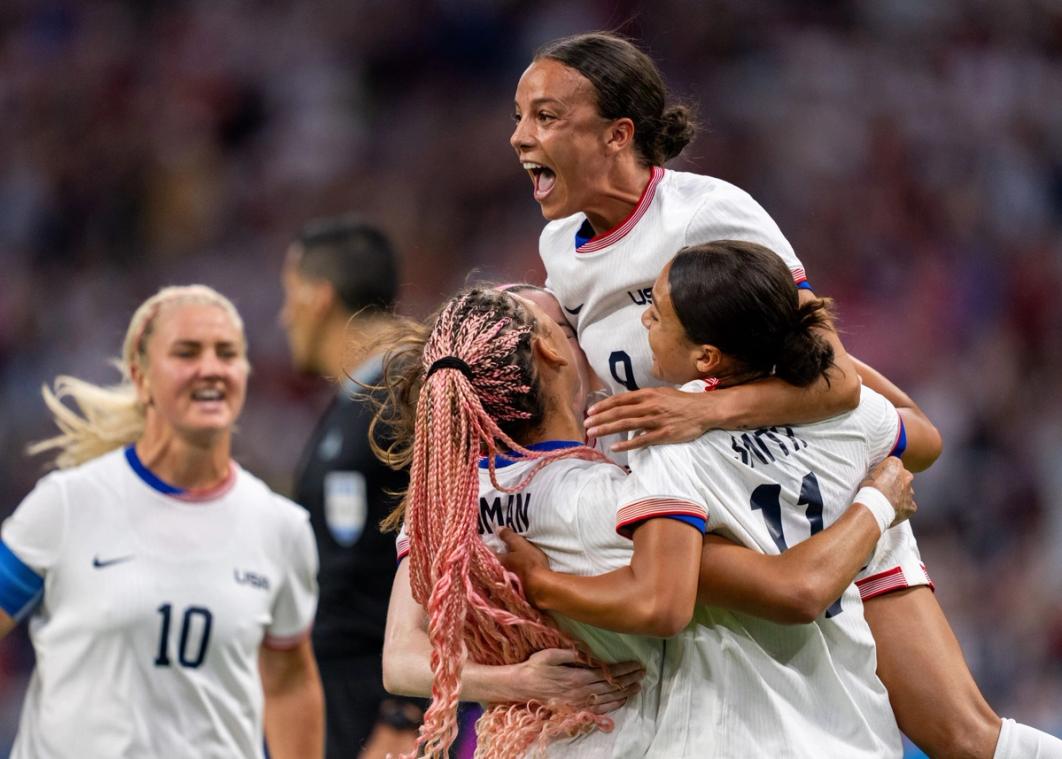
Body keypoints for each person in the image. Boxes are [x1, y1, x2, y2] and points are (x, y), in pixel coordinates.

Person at [511, 31, 1062, 758]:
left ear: (618, 134)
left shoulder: (709, 215)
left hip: (814, 496)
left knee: (958, 735)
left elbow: (831, 375)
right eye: (520, 115)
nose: (521, 137)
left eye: (546, 116)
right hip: (701, 520)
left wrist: (702, 410)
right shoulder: (559, 250)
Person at [375, 283, 918, 757]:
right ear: (549, 351)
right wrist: (878, 499)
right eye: (567, 326)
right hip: (642, 738)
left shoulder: (441, 507)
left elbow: (402, 658)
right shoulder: (606, 500)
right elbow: (797, 588)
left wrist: (516, 681)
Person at [0, 285, 323, 758]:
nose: (210, 367)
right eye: (186, 352)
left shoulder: (282, 527)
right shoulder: (68, 505)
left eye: (227, 353)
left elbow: (289, 683)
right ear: (141, 375)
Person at [279, 216, 422, 758]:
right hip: (344, 693)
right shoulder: (360, 398)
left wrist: (406, 711)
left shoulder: (405, 396)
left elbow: (450, 547)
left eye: (288, 295)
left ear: (318, 298)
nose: (282, 315)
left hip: (379, 699)